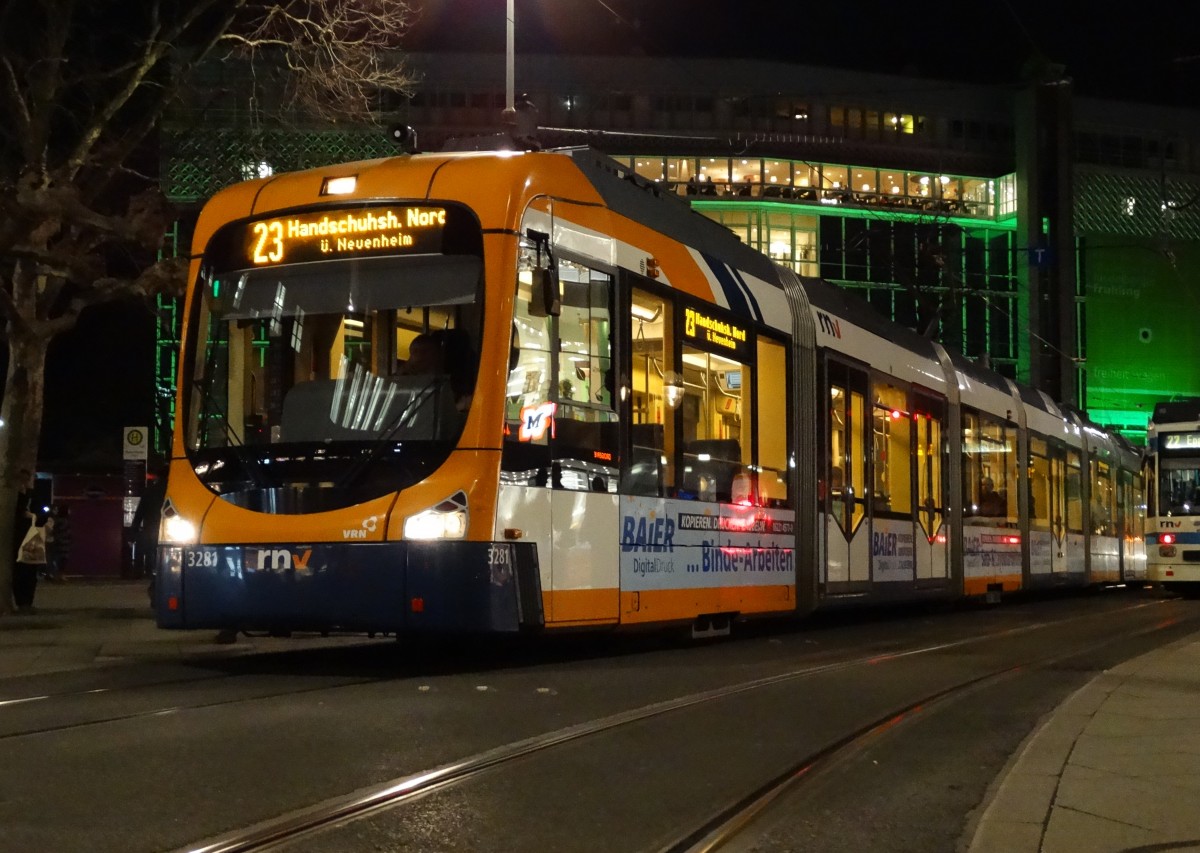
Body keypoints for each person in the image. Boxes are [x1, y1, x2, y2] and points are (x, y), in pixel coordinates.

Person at [14, 506, 47, 613]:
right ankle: (23, 602)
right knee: (23, 575)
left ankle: (26, 603)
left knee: (29, 575)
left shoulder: (34, 503)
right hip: (23, 546)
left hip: (27, 544)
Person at [44, 503, 71, 582]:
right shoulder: (62, 521)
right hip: (62, 543)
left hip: (61, 542)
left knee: (58, 559)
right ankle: (58, 575)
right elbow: (57, 532)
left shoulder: (58, 520)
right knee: (61, 559)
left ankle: (56, 575)